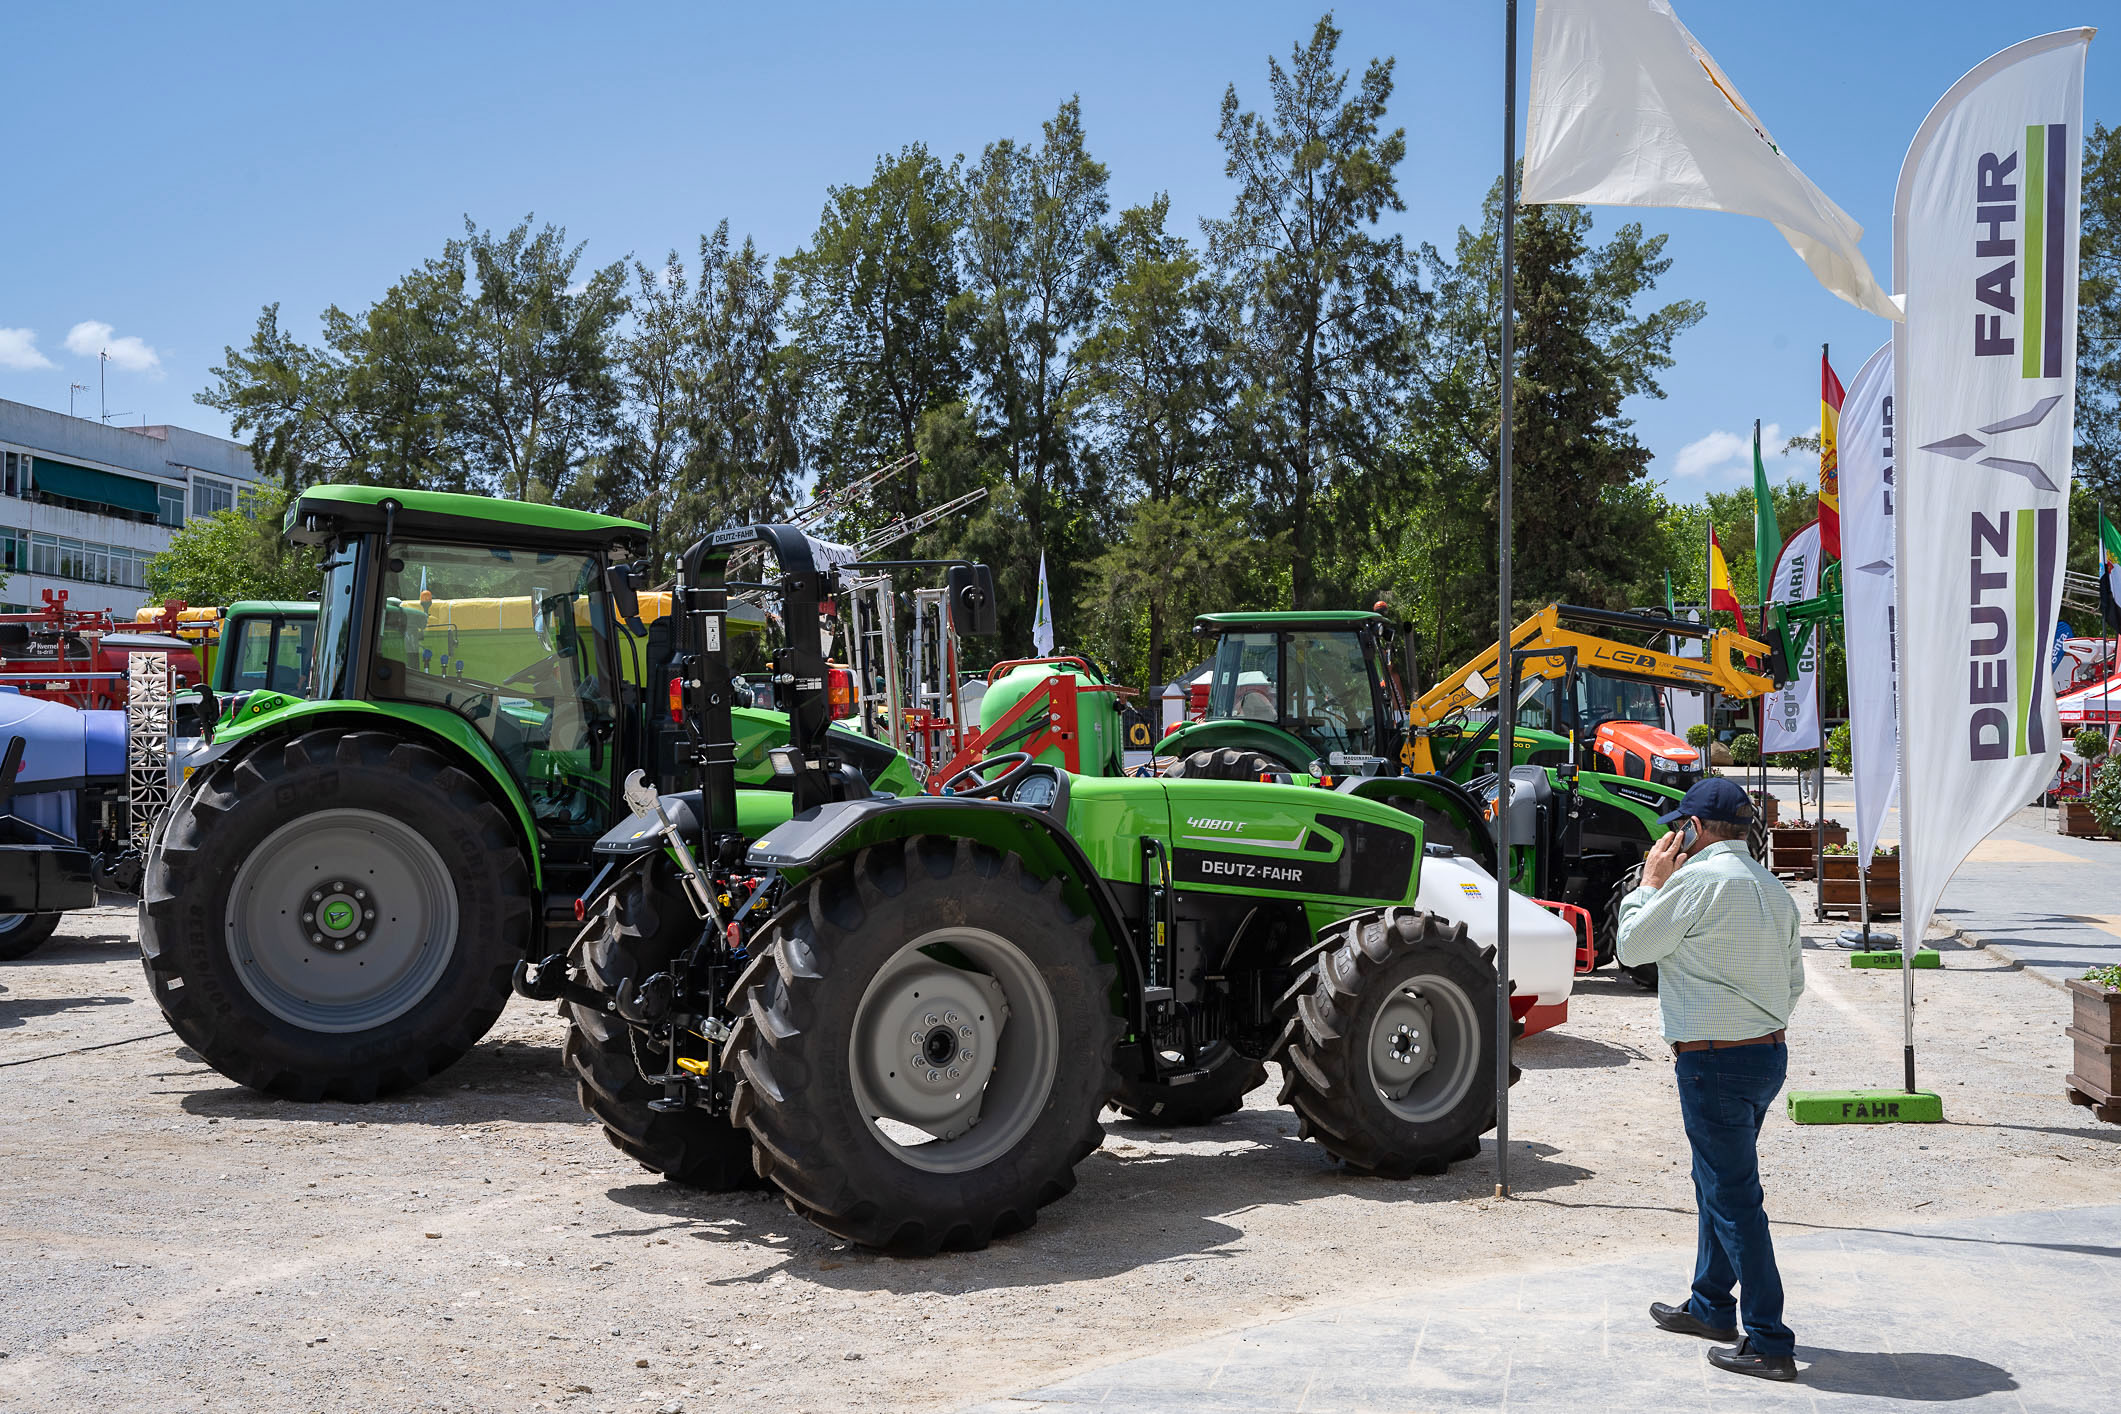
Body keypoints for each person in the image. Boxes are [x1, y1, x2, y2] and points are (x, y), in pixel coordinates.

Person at [1616, 777, 1805, 1383]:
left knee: (1732, 1198)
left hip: (1713, 1060)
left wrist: (1648, 885)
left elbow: (1632, 946)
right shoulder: (1773, 889)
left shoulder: (1696, 880)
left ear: (1693, 830)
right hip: (1765, 1055)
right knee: (1716, 1183)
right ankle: (1710, 1305)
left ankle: (1771, 1340)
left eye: (1681, 830)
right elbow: (1794, 984)